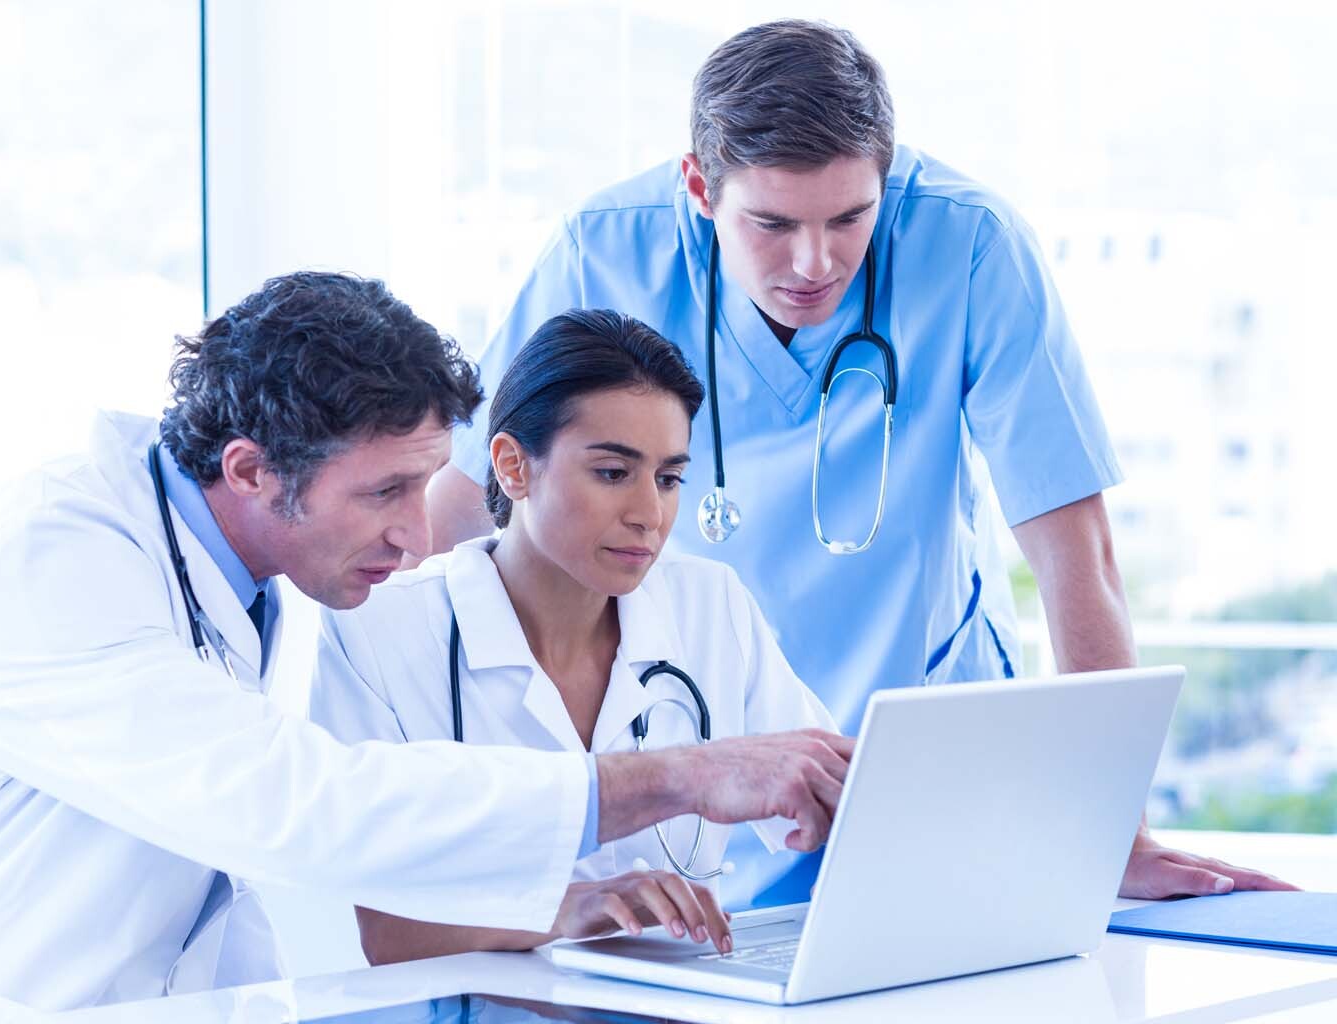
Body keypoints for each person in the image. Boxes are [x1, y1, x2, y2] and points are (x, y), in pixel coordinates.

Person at [421, 20, 1293, 904]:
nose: (815, 262)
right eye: (771, 223)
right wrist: (520, 763)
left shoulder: (970, 244)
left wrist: (1117, 828)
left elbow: (1077, 553)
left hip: (927, 741)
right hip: (703, 746)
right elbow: (465, 501)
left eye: (851, 218)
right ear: (698, 185)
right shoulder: (605, 250)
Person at [0, 272, 854, 1017]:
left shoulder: (233, 580)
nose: (418, 532)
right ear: (254, 469)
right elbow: (301, 805)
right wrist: (670, 778)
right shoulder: (53, 558)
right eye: (386, 493)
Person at [313, 310, 848, 965]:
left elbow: (836, 801)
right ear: (513, 466)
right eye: (612, 473)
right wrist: (571, 908)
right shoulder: (373, 633)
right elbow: (386, 933)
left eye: (669, 478)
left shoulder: (711, 605)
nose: (649, 514)